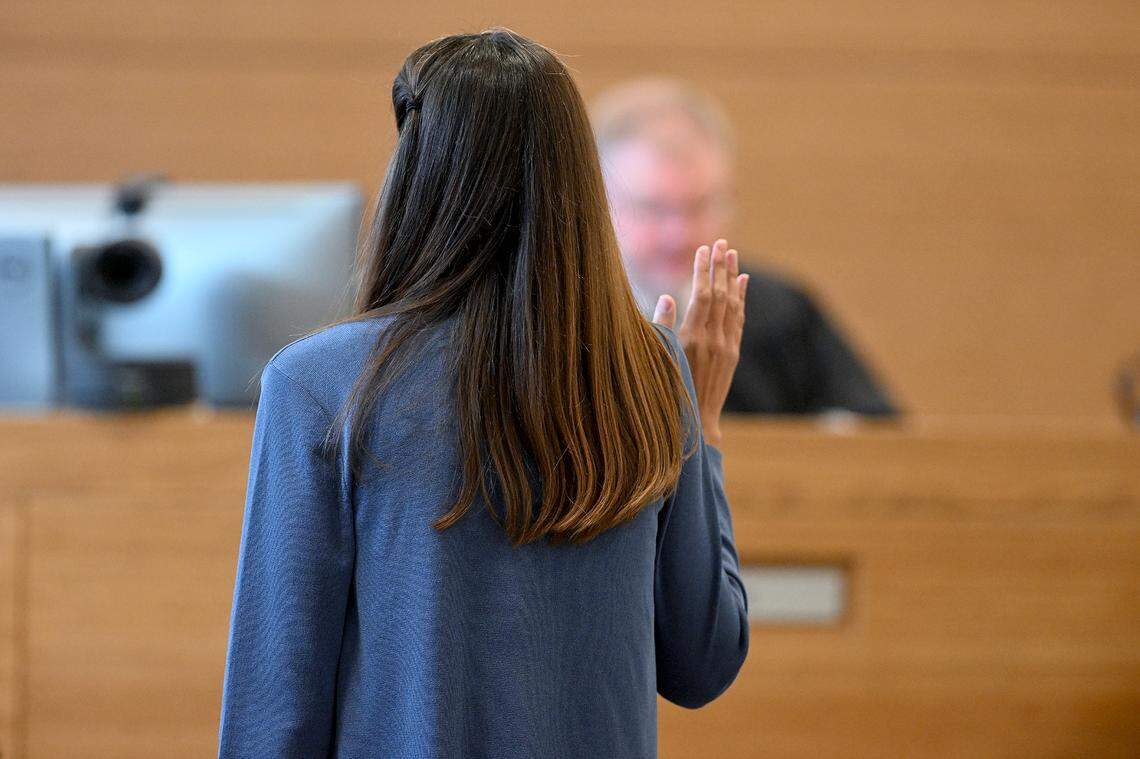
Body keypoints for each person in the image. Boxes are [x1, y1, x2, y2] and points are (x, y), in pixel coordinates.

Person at [218, 29, 749, 758]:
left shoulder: (321, 384)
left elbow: (271, 716)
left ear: (418, 174)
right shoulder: (650, 373)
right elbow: (704, 661)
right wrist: (704, 424)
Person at [593, 78, 899, 416]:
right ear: (600, 205)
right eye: (653, 209)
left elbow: (875, 431)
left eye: (699, 207)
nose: (678, 235)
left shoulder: (781, 314)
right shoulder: (559, 312)